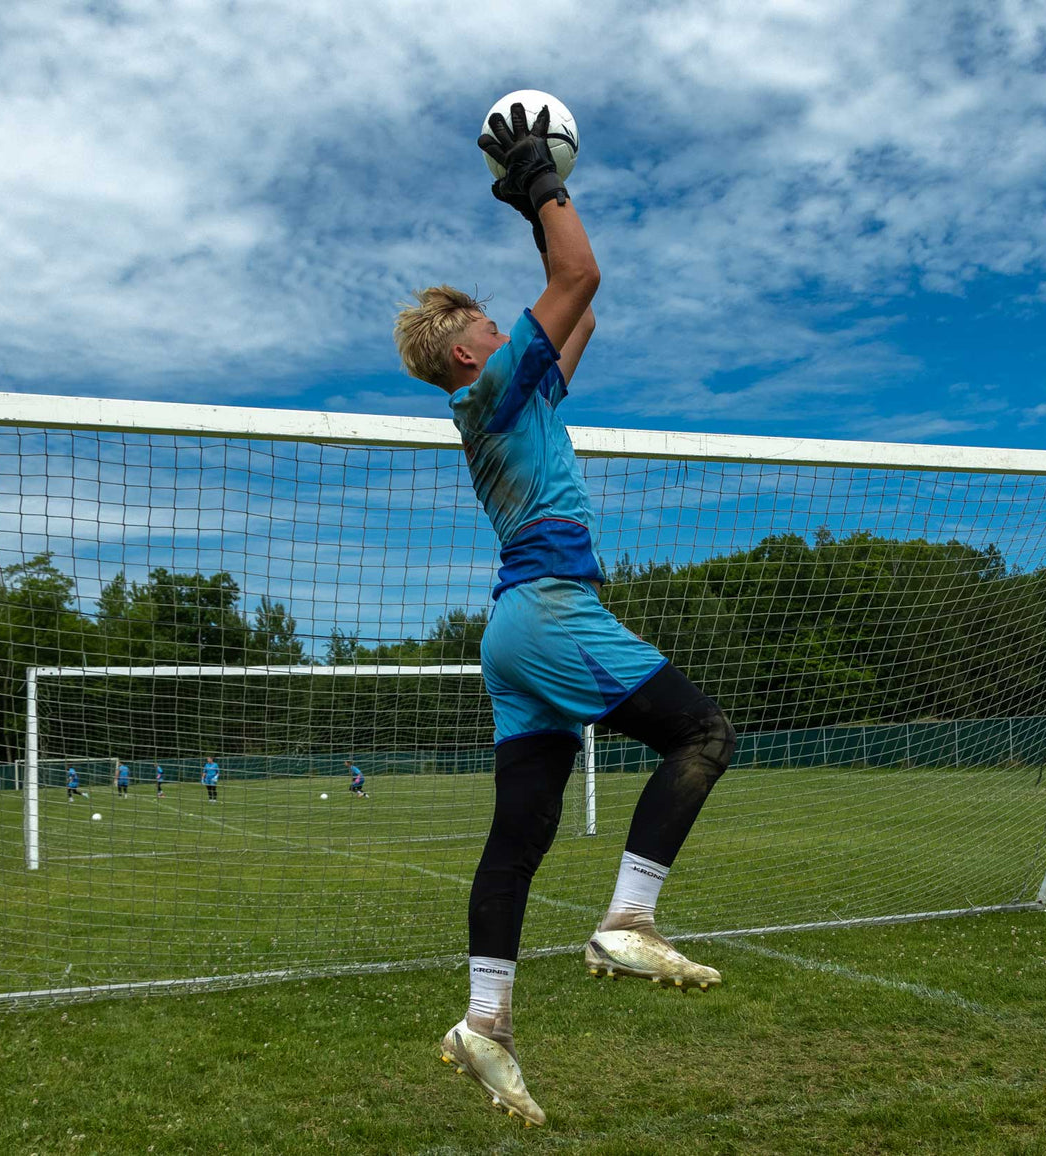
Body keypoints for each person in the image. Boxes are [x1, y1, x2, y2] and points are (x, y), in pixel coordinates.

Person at [394, 104, 735, 1127]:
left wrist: (529, 210)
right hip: (548, 610)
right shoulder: (491, 386)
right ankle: (628, 916)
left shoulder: (518, 398)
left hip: (511, 634)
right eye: (490, 324)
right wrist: (543, 180)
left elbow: (584, 301)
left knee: (519, 837)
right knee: (703, 732)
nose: (509, 327)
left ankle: (484, 1020)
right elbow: (575, 279)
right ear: (466, 354)